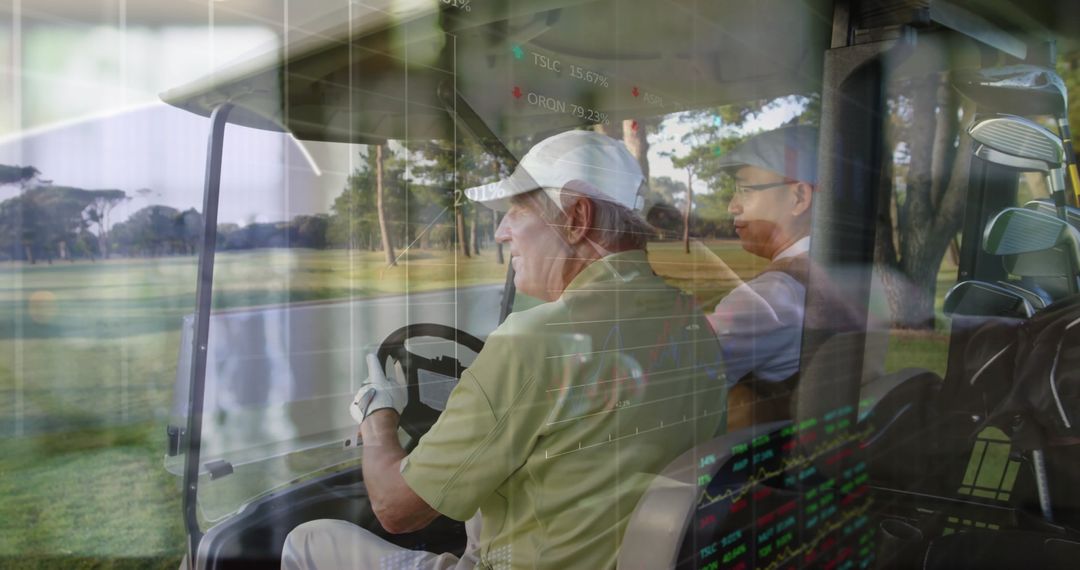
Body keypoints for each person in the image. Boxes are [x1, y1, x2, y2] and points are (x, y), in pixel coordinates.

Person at [281, 130, 727, 569]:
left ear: (577, 219)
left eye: (517, 210)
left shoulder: (532, 342)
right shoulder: (690, 320)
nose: (500, 232)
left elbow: (397, 510)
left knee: (308, 539)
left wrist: (377, 420)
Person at [705, 125, 817, 430]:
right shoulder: (851, 276)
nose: (732, 206)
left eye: (745, 189)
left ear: (798, 197)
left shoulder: (770, 298)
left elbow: (671, 377)